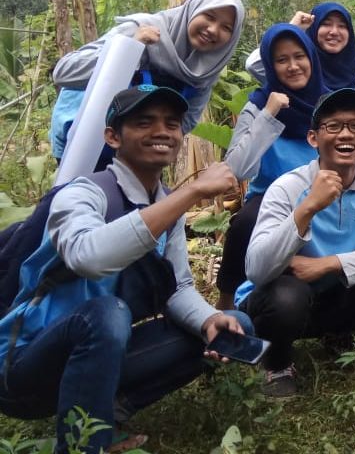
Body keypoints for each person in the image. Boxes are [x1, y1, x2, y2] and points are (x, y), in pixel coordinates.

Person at [0, 86, 253, 454]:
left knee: (234, 325)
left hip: (93, 357)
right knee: (106, 314)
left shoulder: (164, 205)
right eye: (144, 122)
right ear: (112, 136)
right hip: (21, 369)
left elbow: (178, 288)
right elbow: (88, 257)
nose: (162, 131)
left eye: (171, 123)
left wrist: (208, 321)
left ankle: (106, 413)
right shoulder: (82, 194)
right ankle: (80, 446)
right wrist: (192, 193)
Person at [238, 88, 355, 397]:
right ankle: (276, 363)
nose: (345, 135)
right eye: (333, 126)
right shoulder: (287, 187)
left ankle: (346, 338)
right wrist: (307, 207)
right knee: (286, 297)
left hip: (336, 288)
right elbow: (256, 269)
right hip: (281, 299)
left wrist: (328, 264)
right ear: (313, 138)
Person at [50, 0, 245, 162]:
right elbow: (65, 72)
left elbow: (186, 121)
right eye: (209, 16)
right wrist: (130, 49)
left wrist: (153, 143)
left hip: (138, 157)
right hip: (81, 143)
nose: (213, 29)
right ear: (192, 10)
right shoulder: (142, 29)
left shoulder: (206, 70)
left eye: (226, 27)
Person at [215, 23, 329, 310]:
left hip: (324, 190)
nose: (293, 66)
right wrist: (269, 113)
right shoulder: (257, 105)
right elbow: (236, 170)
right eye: (281, 60)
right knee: (244, 223)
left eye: (299, 56)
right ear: (270, 65)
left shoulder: (328, 102)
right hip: (271, 195)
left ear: (312, 59)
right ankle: (227, 300)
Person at [245, 2, 355, 90]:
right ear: (313, 28)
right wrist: (292, 28)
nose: (334, 32)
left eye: (342, 26)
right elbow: (254, 65)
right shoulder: (298, 71)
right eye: (326, 24)